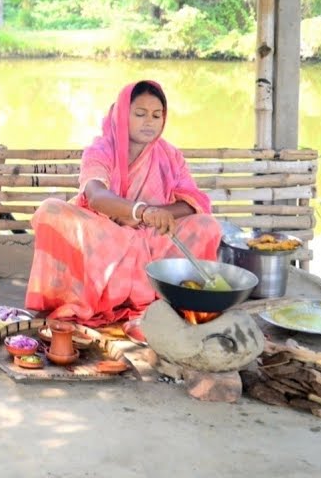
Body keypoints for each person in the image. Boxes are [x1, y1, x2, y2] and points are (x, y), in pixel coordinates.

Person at [25, 80, 221, 327]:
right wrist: (139, 210)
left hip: (153, 235)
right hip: (105, 233)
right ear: (122, 114)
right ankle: (90, 298)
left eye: (156, 115)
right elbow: (95, 195)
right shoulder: (101, 149)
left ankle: (180, 296)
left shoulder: (170, 155)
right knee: (50, 210)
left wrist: (152, 215)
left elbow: (195, 200)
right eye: (140, 114)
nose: (149, 121)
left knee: (206, 225)